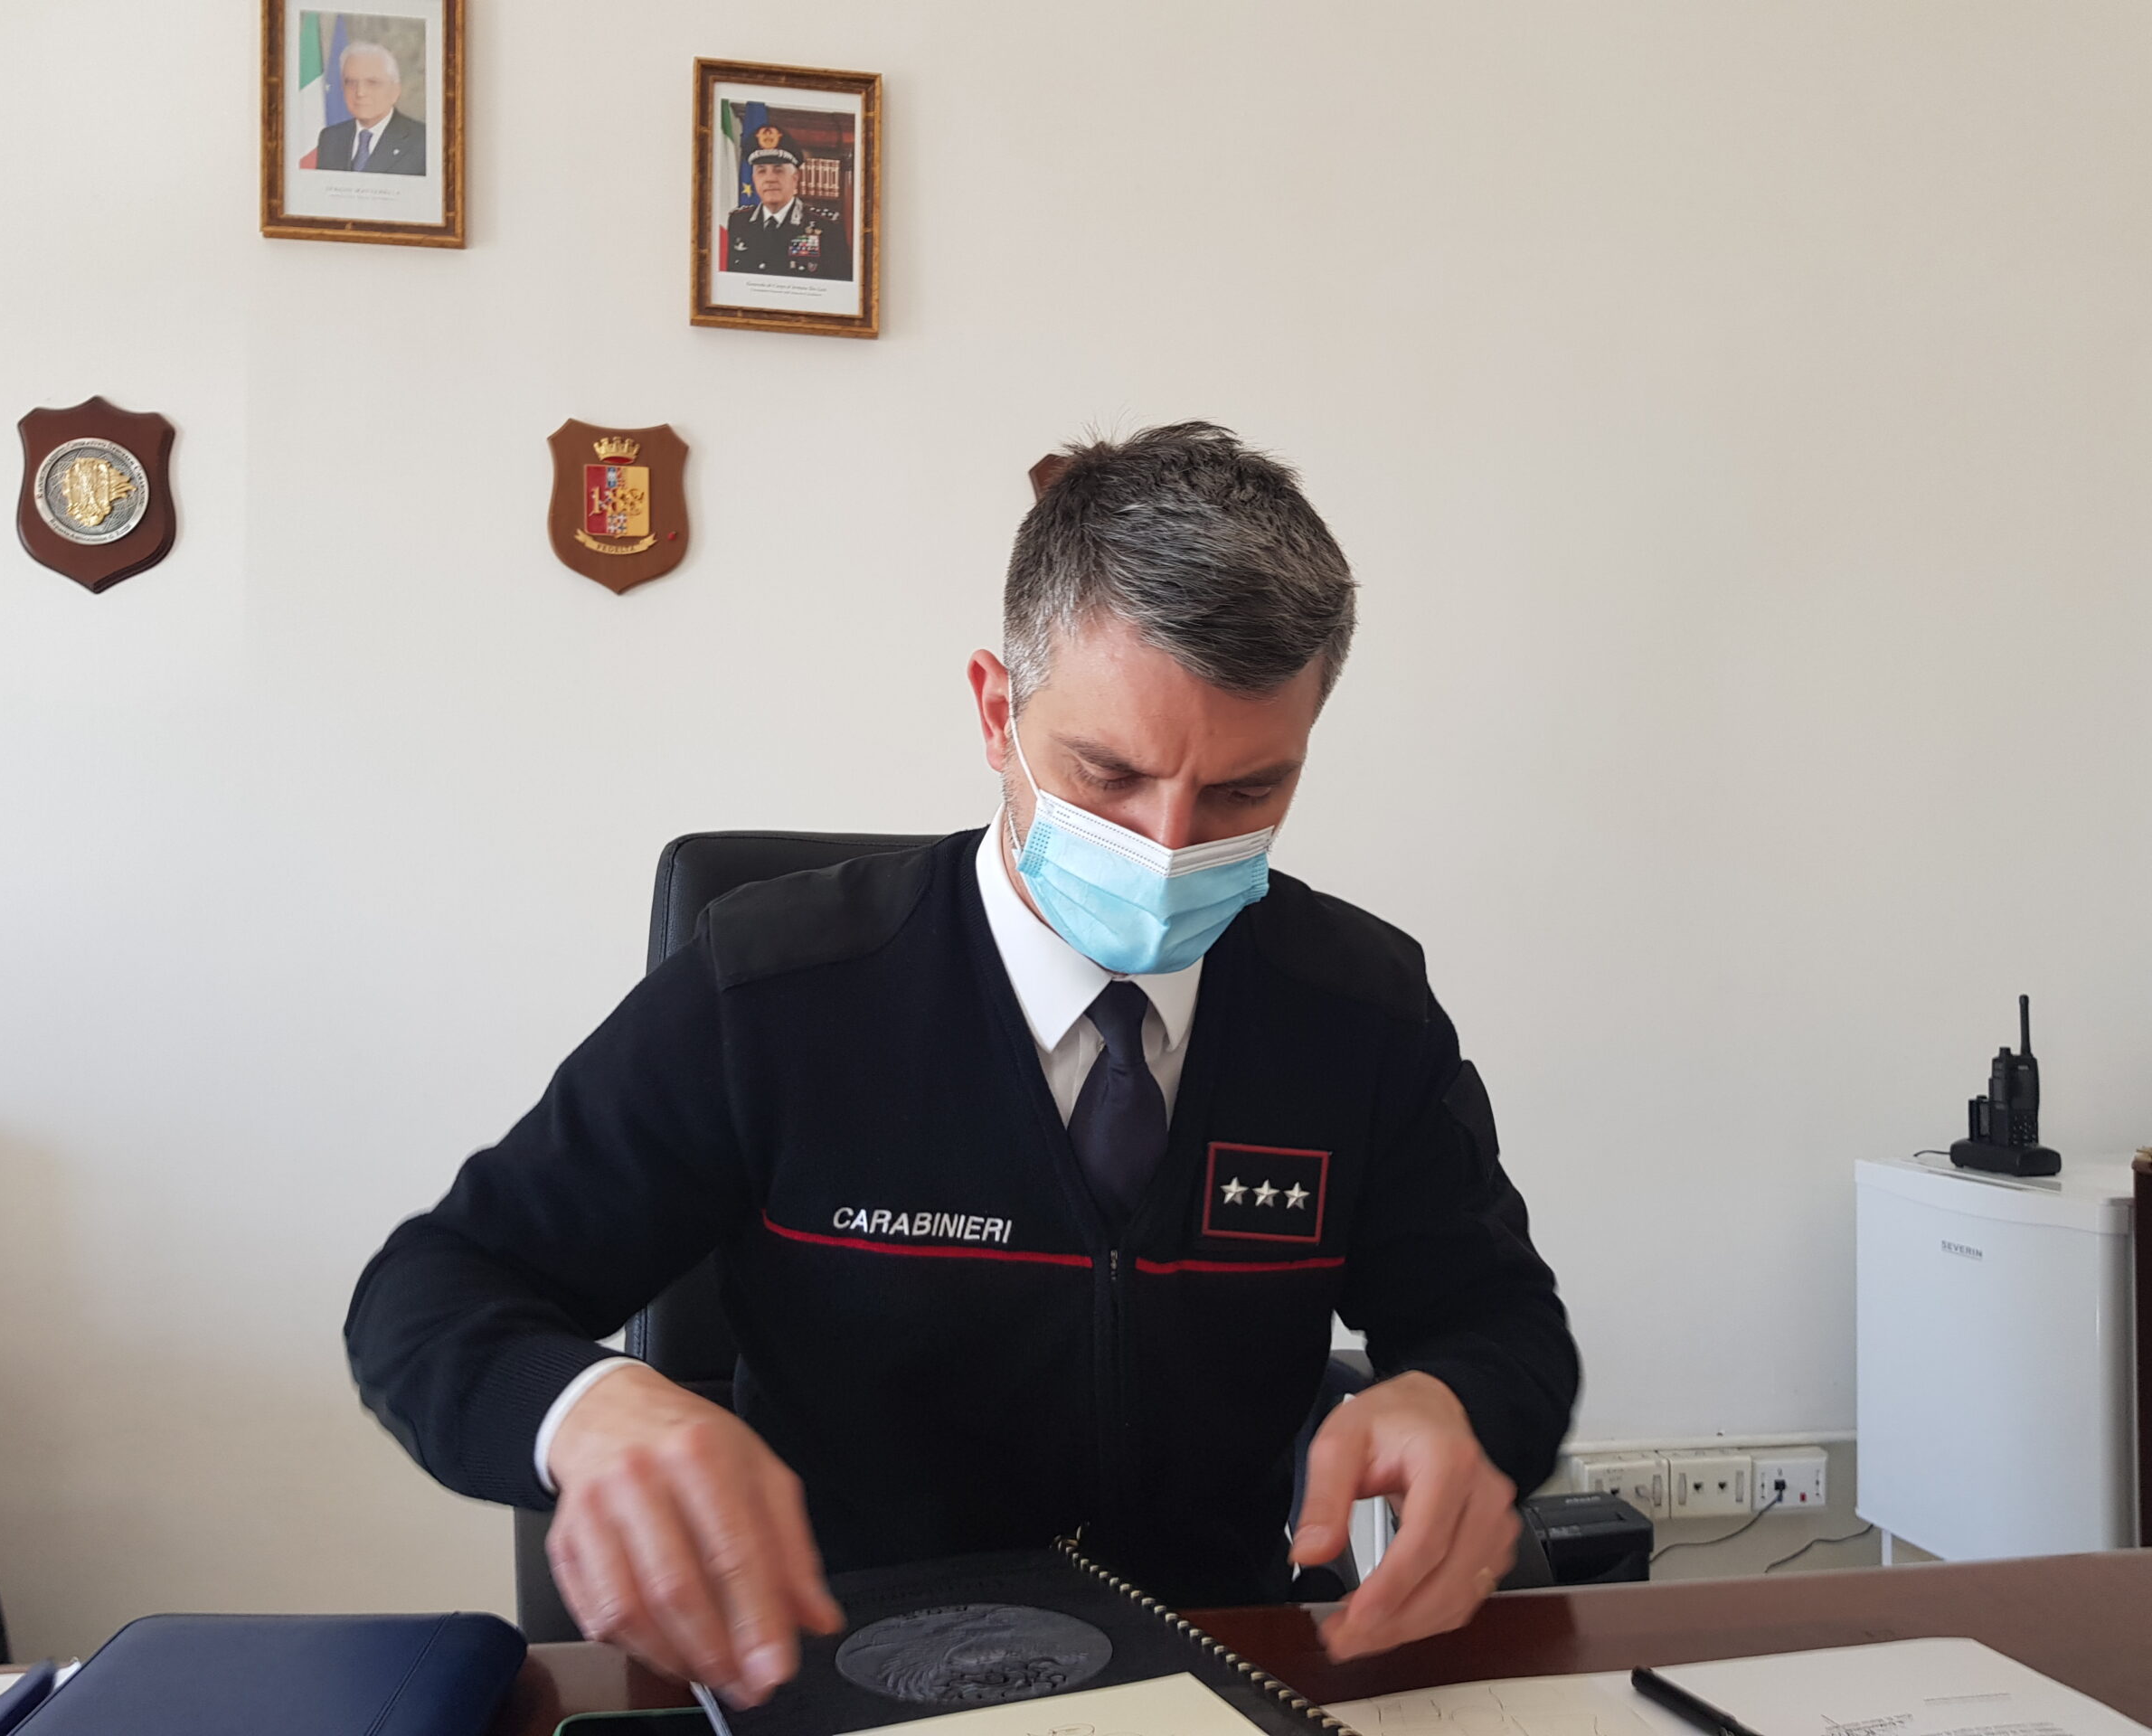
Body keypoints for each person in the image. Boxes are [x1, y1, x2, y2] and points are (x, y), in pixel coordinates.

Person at [345, 424, 1577, 1712]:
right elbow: (432, 1293)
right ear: (998, 712)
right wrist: (584, 1409)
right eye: (1109, 773)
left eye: (1243, 794)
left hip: (1219, 1666)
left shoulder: (1357, 1011)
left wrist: (1460, 1406)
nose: (1166, 848)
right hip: (836, 1671)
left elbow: (1501, 1323)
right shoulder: (775, 992)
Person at [722, 126, 852, 279]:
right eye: (761, 171)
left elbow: (839, 286)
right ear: (754, 179)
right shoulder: (739, 221)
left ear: (795, 178)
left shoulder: (826, 225)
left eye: (778, 170)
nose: (770, 179)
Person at [315, 42, 426, 175]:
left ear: (395, 91)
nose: (360, 92)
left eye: (372, 83)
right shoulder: (330, 138)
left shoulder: (423, 141)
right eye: (351, 82)